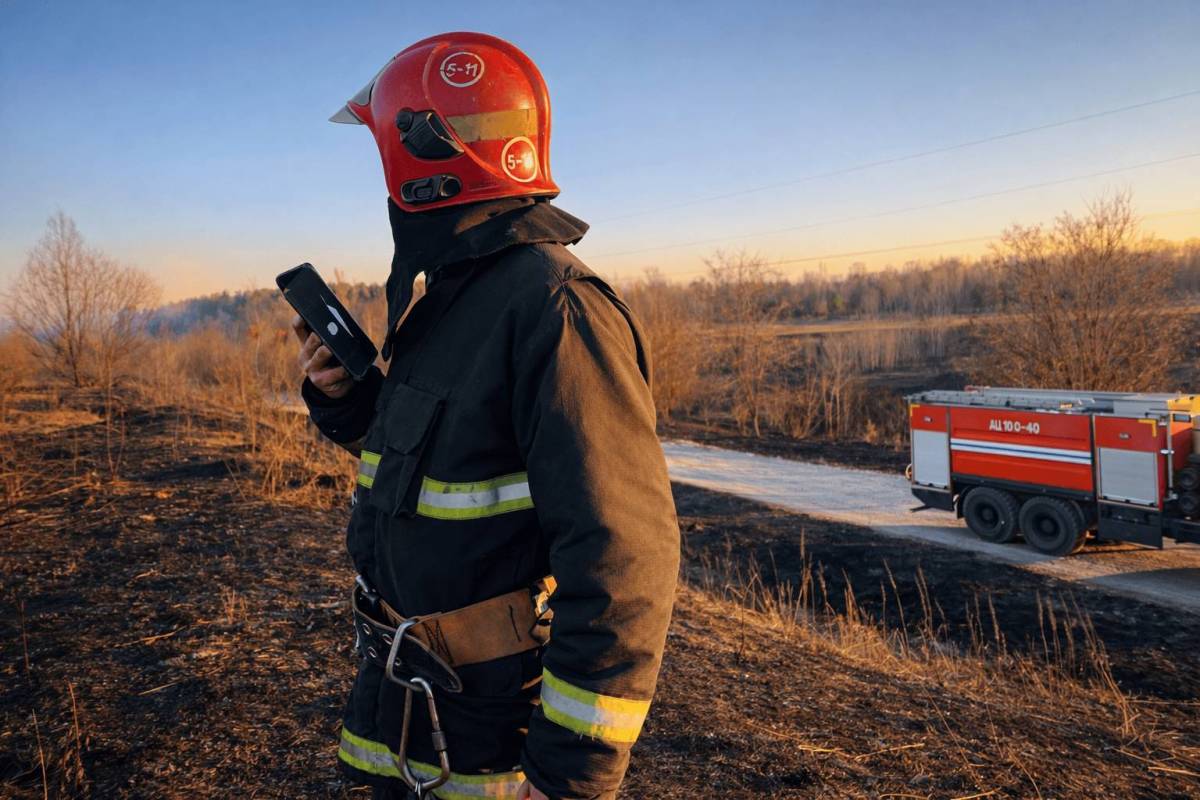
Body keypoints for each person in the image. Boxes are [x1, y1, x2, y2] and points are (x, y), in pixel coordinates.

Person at [293, 32, 680, 800]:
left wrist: (569, 776)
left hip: (490, 731)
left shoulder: (555, 309)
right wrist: (346, 398)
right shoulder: (455, 299)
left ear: (422, 155)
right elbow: (437, 464)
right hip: (411, 697)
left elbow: (625, 556)